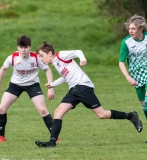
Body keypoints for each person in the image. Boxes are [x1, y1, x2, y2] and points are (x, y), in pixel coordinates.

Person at [34, 41, 143, 148]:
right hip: (74, 89)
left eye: (41, 56)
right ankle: (52, 142)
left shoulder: (60, 55)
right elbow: (65, 76)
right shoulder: (57, 64)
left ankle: (130, 115)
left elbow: (78, 51)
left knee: (102, 114)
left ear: (49, 53)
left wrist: (83, 59)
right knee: (58, 112)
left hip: (83, 87)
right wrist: (52, 84)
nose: (41, 59)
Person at [0, 35, 60, 142]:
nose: (23, 50)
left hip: (32, 85)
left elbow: (47, 70)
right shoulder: (12, 57)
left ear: (30, 47)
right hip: (15, 85)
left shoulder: (36, 58)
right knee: (2, 108)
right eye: (21, 47)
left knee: (43, 110)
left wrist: (50, 87)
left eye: (25, 47)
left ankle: (55, 136)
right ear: (17, 47)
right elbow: (3, 69)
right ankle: (1, 136)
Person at [119, 14, 147, 143]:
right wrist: (128, 78)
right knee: (145, 107)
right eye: (129, 28)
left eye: (134, 28)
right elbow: (121, 63)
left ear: (141, 28)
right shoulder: (126, 42)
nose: (130, 31)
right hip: (136, 77)